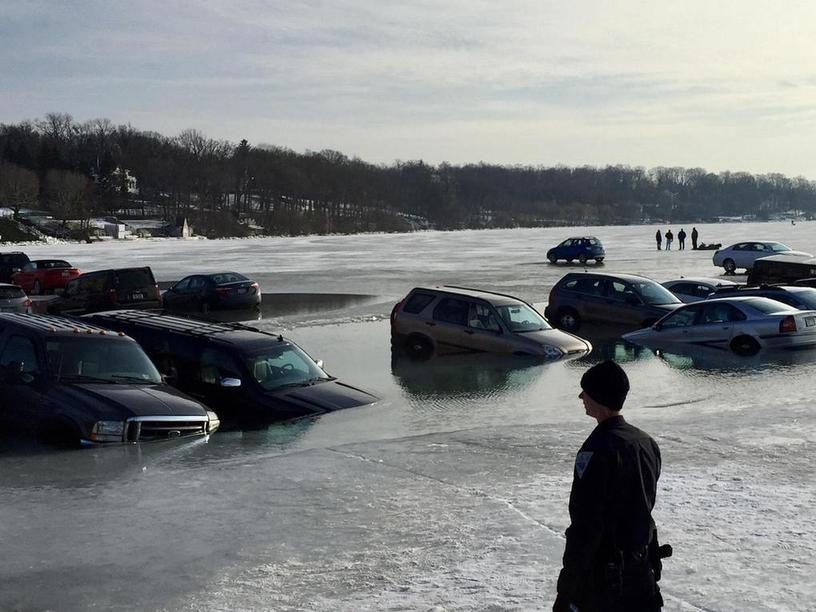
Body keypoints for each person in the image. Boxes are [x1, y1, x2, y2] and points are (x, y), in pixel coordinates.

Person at [553, 361, 669, 612]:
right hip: (641, 573)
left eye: (586, 391)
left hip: (604, 583)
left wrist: (568, 586)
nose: (581, 396)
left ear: (598, 397)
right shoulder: (646, 443)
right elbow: (644, 507)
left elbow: (586, 524)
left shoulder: (596, 450)